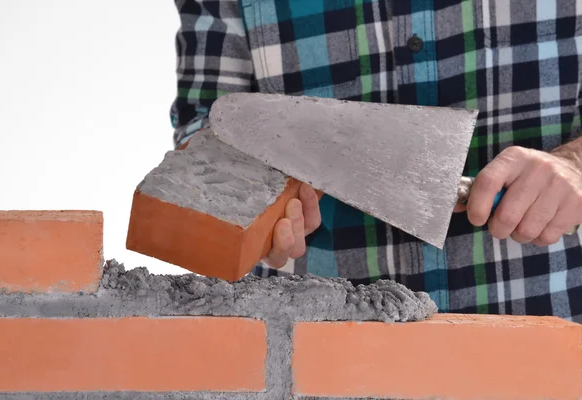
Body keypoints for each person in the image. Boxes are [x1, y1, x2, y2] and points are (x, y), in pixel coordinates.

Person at [170, 0, 582, 323]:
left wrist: (575, 165)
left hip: (552, 332)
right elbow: (209, 138)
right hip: (323, 354)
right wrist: (251, 216)